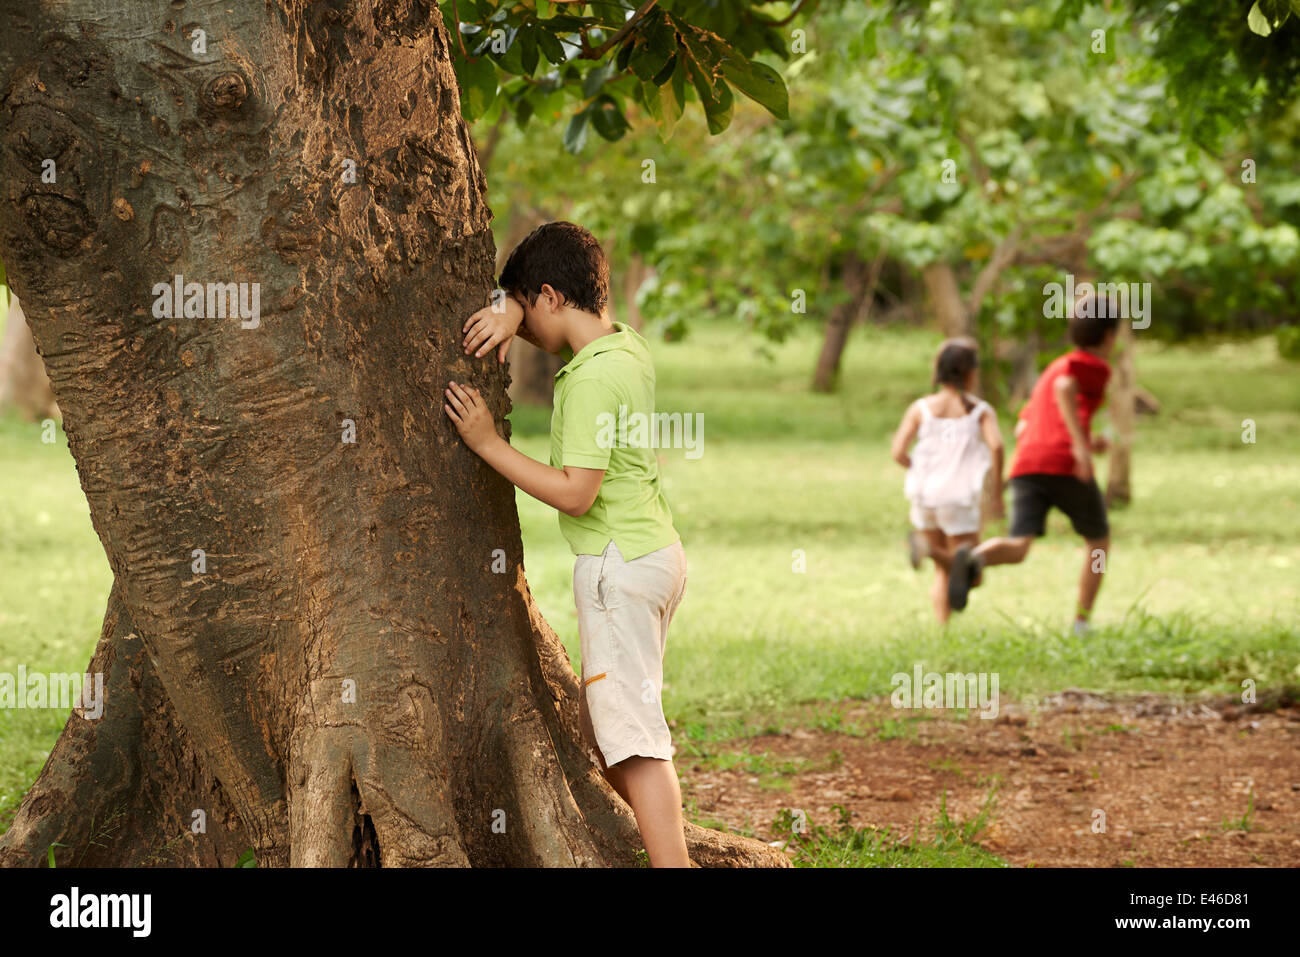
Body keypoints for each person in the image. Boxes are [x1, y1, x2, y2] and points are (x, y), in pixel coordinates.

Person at [443, 221, 691, 867]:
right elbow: (552, 261)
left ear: (550, 295)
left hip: (618, 566)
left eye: (525, 317)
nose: (522, 335)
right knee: (606, 731)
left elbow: (577, 492)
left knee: (633, 743)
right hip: (654, 555)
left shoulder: (585, 381)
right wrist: (506, 301)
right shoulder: (626, 347)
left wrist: (487, 444)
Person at [947, 291, 1120, 635]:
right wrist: (1081, 450)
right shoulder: (1090, 367)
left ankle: (975, 557)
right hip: (1065, 464)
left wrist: (1086, 440)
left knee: (1019, 546)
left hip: (1028, 463)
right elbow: (1065, 389)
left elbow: (1024, 423)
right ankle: (1081, 623)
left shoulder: (1053, 367)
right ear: (1110, 335)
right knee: (1098, 542)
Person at [891, 337, 1003, 622]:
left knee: (946, 569)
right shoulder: (979, 411)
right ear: (971, 372)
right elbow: (998, 446)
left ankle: (943, 630)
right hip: (959, 497)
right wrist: (997, 489)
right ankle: (928, 551)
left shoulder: (921, 408)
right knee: (971, 573)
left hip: (925, 494)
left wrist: (919, 470)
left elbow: (898, 452)